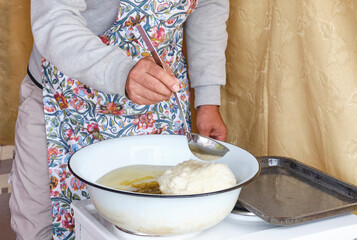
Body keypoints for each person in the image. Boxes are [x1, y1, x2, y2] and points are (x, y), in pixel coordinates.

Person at [9, 0, 230, 239]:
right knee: (39, 228)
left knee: (153, 224)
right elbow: (54, 19)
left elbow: (209, 5)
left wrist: (208, 100)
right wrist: (121, 72)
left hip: (156, 110)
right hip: (64, 103)